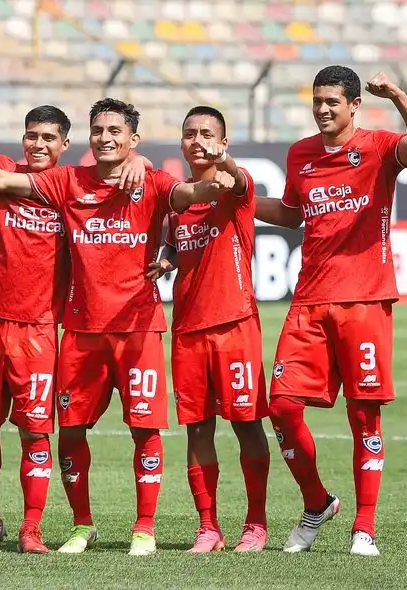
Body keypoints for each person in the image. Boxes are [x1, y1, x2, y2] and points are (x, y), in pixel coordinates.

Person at [0, 97, 234, 556]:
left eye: (114, 132)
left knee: (133, 430)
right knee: (47, 429)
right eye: (99, 131)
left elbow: (186, 195)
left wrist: (212, 183)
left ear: (130, 139)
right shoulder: (64, 182)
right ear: (85, 140)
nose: (105, 138)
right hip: (62, 328)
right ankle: (60, 524)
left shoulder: (143, 178)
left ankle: (137, 529)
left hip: (114, 328)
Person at [0, 83, 147, 554]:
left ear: (64, 145)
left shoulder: (72, 185)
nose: (38, 145)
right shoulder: (2, 172)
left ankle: (32, 527)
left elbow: (128, 167)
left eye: (48, 138)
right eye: (31, 136)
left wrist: (142, 159)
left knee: (37, 430)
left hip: (38, 329)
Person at [254, 66, 407, 556]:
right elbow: (293, 215)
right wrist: (243, 199)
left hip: (365, 300)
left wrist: (398, 94)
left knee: (364, 416)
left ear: (355, 104)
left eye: (332, 101)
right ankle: (317, 502)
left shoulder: (379, 147)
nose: (322, 109)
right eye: (317, 101)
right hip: (310, 300)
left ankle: (364, 526)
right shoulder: (300, 154)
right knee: (281, 406)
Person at [145, 106, 270, 553]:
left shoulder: (236, 190)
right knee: (197, 428)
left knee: (247, 424)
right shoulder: (179, 201)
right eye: (190, 134)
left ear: (223, 140)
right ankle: (208, 526)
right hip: (188, 330)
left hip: (235, 324)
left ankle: (256, 524)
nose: (198, 140)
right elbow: (175, 243)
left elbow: (238, 181)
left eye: (207, 134)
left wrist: (228, 163)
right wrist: (166, 259)